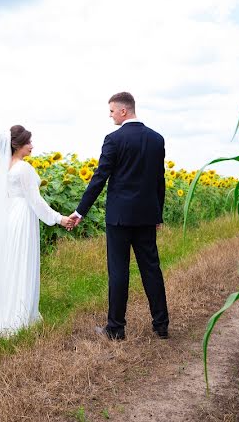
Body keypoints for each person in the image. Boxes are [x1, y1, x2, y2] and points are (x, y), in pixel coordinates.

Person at [70, 92, 169, 341]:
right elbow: (160, 180)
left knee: (119, 271)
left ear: (124, 111)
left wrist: (80, 210)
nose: (111, 115)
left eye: (112, 111)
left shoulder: (114, 139)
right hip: (147, 215)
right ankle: (161, 324)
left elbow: (100, 178)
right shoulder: (156, 139)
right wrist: (158, 214)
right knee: (151, 269)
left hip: (119, 218)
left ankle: (116, 328)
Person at [0, 125, 73, 337]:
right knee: (22, 262)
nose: (32, 146)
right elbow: (36, 201)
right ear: (17, 144)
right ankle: (19, 315)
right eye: (28, 142)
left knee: (11, 263)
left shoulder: (5, 167)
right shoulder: (23, 168)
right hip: (22, 218)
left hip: (10, 217)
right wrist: (59, 218)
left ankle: (6, 309)